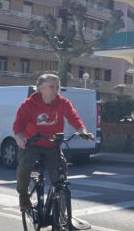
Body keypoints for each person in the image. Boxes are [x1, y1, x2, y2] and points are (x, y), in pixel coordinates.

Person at [13, 74, 94, 210]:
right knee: (25, 165)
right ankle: (23, 195)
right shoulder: (28, 105)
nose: (55, 90)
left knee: (60, 174)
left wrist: (83, 132)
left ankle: (60, 213)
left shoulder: (62, 102)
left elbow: (74, 117)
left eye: (57, 86)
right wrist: (20, 137)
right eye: (51, 86)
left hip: (53, 144)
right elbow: (18, 125)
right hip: (32, 143)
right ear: (40, 88)